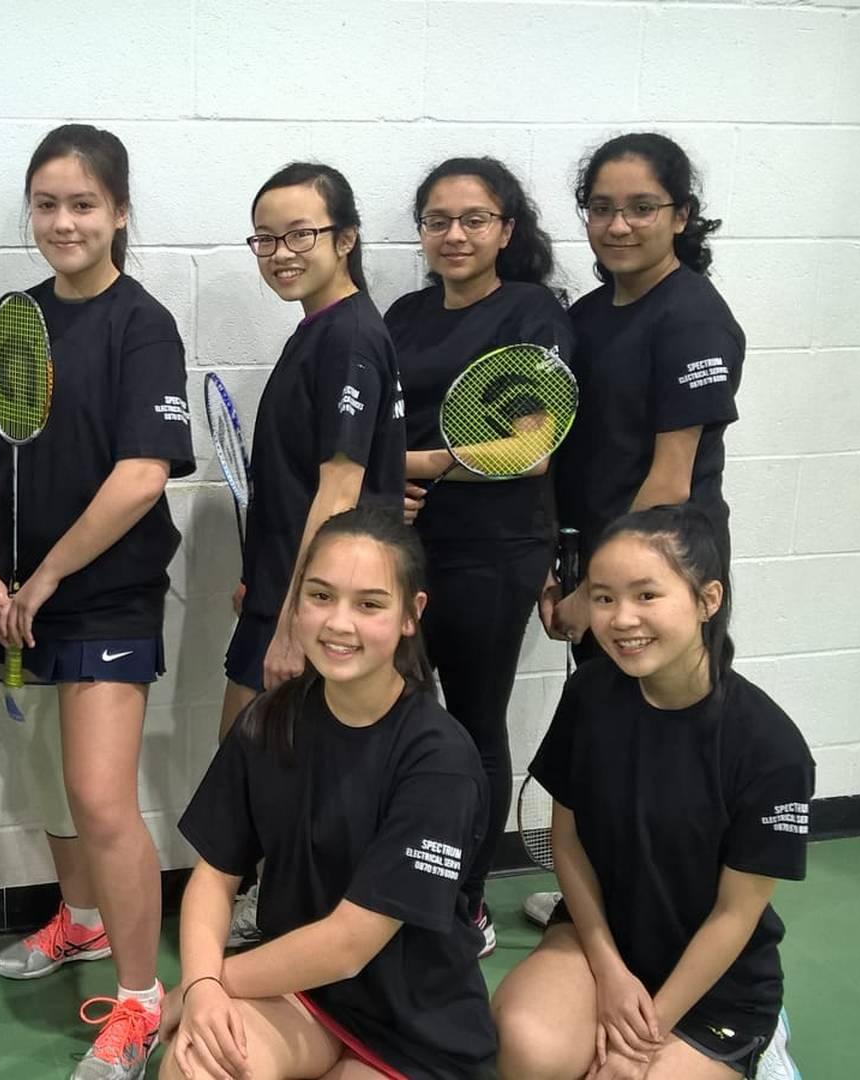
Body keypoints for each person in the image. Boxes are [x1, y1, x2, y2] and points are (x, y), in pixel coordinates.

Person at [0, 124, 194, 1080]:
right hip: (11, 599)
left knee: (99, 795)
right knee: (52, 786)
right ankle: (81, 925)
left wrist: (43, 577)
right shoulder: (16, 317)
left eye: (84, 203)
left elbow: (141, 475)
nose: (63, 221)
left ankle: (141, 1003)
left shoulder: (143, 324)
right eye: (46, 204)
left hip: (102, 601)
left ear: (120, 212)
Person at [164, 505, 495, 1080]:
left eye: (369, 604)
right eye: (320, 596)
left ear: (411, 615)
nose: (339, 623)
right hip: (306, 995)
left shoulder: (438, 760)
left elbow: (348, 945)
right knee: (196, 1066)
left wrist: (210, 983)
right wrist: (201, 988)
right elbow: (213, 879)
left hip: (415, 1027)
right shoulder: (271, 720)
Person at [493, 505, 808, 1080]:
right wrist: (609, 971)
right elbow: (567, 840)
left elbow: (736, 915)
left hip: (717, 981)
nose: (621, 618)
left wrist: (644, 1036)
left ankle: (764, 1046)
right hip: (603, 944)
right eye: (604, 597)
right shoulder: (590, 693)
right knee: (525, 1047)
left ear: (707, 600)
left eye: (646, 595)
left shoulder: (771, 747)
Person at [528, 131, 745, 929]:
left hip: (662, 571)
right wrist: (560, 570)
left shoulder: (693, 318)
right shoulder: (587, 317)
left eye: (641, 208)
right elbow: (570, 453)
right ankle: (608, 900)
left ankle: (684, 920)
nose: (619, 226)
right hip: (595, 564)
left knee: (668, 744)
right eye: (602, 209)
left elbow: (667, 482)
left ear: (681, 215)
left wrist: (598, 593)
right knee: (610, 737)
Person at [383, 156, 572, 957]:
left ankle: (466, 900)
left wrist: (413, 464)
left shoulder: (535, 313)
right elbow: (377, 428)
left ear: (506, 228)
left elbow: (531, 451)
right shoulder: (402, 313)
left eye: (473, 219)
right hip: (406, 549)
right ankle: (401, 880)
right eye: (437, 220)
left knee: (472, 721)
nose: (453, 235)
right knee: (397, 719)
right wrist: (387, 482)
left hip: (494, 553)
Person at [222, 162, 407, 945]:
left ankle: (286, 910)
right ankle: (277, 898)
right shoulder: (320, 331)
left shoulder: (352, 336)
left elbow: (339, 488)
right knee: (252, 757)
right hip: (281, 592)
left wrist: (299, 617)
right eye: (265, 236)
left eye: (300, 233)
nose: (280, 251)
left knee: (260, 760)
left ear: (347, 238)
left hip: (314, 605)